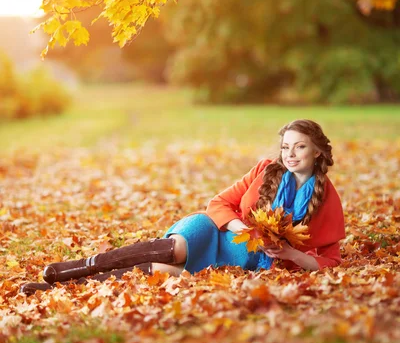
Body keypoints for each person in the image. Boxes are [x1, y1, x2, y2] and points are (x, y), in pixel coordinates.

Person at [20, 119, 345, 295]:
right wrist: (241, 227)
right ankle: (78, 267)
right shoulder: (265, 170)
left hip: (246, 258)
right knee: (175, 249)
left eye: (299, 147)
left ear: (317, 152)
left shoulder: (326, 197)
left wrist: (290, 255)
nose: (289, 154)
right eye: (286, 146)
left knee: (164, 273)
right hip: (212, 231)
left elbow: (329, 261)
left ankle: (64, 288)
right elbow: (219, 204)